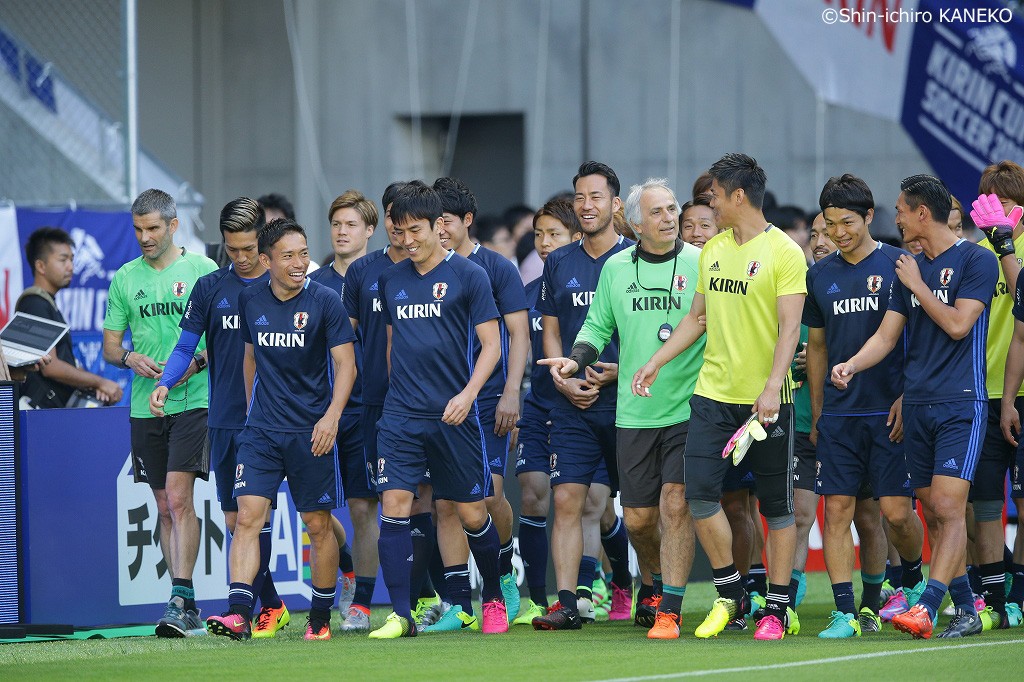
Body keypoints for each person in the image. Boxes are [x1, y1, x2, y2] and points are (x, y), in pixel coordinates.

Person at [633, 153, 806, 641]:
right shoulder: (713, 251)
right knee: (700, 495)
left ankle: (776, 607)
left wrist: (773, 386)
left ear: (738, 196)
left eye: (714, 196)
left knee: (776, 509)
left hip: (768, 401)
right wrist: (657, 360)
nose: (707, 205)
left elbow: (790, 328)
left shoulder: (785, 253)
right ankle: (731, 593)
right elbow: (698, 317)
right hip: (711, 396)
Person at [832, 174, 998, 639]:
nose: (897, 219)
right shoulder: (910, 266)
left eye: (901, 210)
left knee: (947, 506)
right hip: (917, 403)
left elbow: (959, 325)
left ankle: (926, 604)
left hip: (961, 402)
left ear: (921, 212)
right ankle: (968, 607)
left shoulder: (975, 260)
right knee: (930, 509)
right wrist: (851, 364)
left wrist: (917, 285)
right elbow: (887, 335)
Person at [541, 178, 701, 639]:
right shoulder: (615, 269)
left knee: (675, 504)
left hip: (689, 408)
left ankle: (668, 607)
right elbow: (596, 326)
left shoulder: (701, 263)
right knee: (638, 519)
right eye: (658, 212)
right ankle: (649, 582)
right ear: (632, 221)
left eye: (672, 209)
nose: (670, 218)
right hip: (633, 412)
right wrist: (576, 359)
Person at [205, 218, 357, 641]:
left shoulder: (326, 301)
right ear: (266, 260)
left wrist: (331, 417)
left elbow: (346, 364)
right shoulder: (250, 299)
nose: (298, 263)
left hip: (313, 431)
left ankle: (322, 618)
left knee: (318, 524)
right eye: (288, 256)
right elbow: (249, 357)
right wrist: (255, 408)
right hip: (262, 432)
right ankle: (239, 612)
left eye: (304, 254)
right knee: (248, 518)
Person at [369, 182, 507, 639]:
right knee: (394, 505)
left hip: (455, 416)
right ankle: (401, 615)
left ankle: (491, 596)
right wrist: (395, 401)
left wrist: (468, 395)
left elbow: (492, 346)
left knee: (471, 513)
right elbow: (392, 347)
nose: (408, 240)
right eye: (400, 230)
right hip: (401, 418)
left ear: (437, 226)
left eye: (416, 230)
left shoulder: (470, 276)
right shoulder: (390, 279)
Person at [149, 198, 290, 637]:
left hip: (275, 421)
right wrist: (166, 383)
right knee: (235, 522)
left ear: (263, 243)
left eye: (249, 248)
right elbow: (185, 346)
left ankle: (245, 613)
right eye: (233, 249)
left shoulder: (284, 285)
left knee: (262, 518)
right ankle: (273, 605)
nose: (242, 258)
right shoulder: (210, 288)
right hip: (223, 420)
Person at [804, 175, 925, 639]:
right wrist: (818, 411)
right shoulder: (819, 275)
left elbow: (918, 340)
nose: (838, 232)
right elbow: (817, 348)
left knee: (894, 513)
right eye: (830, 224)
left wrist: (906, 395)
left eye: (847, 222)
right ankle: (845, 612)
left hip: (891, 412)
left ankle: (910, 576)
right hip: (839, 415)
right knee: (836, 510)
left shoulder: (900, 264)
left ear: (869, 217)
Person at [102, 188, 218, 637]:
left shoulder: (202, 271)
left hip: (193, 401)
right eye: (137, 229)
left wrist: (191, 365)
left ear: (173, 226)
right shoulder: (124, 279)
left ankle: (179, 596)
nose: (145, 237)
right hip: (143, 404)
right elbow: (112, 346)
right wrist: (130, 358)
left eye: (153, 228)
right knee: (163, 505)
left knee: (178, 496)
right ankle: (184, 601)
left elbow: (218, 339)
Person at [531, 161, 635, 631]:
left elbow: (653, 335)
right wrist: (561, 377)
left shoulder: (638, 257)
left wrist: (622, 372)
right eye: (580, 198)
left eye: (596, 197)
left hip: (629, 402)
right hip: (570, 403)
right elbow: (550, 332)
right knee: (568, 500)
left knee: (638, 509)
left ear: (615, 205)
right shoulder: (559, 262)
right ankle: (569, 601)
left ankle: (649, 594)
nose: (586, 206)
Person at [429, 176, 528, 627]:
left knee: (487, 496)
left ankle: (503, 572)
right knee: (446, 502)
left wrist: (511, 392)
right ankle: (455, 604)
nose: (438, 229)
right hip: (439, 404)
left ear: (467, 221)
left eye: (445, 221)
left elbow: (518, 333)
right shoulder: (424, 270)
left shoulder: (497, 267)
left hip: (488, 401)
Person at [511, 198, 582, 625]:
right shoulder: (524, 293)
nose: (543, 243)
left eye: (554, 234)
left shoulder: (594, 282)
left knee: (596, 505)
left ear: (576, 237)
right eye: (538, 234)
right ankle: (538, 600)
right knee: (534, 492)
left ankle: (605, 587)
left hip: (586, 404)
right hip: (538, 404)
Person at [309, 189, 378, 621]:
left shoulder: (382, 277)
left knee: (361, 506)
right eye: (336, 224)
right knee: (313, 509)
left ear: (370, 230)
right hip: (317, 410)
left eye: (351, 224)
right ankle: (346, 563)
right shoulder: (313, 284)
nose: (341, 232)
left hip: (366, 409)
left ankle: (363, 604)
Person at [971, 160, 1024, 629]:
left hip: (1019, 393)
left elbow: (1021, 289)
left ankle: (1019, 592)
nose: (998, 215)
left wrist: (1005, 241)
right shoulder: (973, 253)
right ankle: (993, 590)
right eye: (991, 205)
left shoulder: (1011, 249)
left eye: (1006, 206)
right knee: (982, 503)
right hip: (978, 392)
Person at [17, 227, 122, 408]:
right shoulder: (35, 304)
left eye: (72, 259)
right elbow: (50, 367)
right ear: (40, 266)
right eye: (63, 260)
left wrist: (92, 384)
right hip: (39, 416)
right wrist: (99, 383)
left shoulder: (47, 303)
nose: (71, 267)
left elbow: (65, 362)